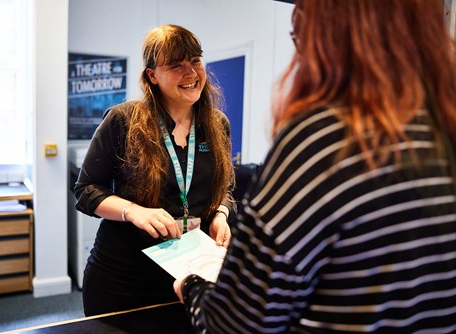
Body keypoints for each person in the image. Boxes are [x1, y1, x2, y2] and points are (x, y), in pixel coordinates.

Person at [174, 0, 456, 333]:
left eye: (299, 36)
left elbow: (235, 325)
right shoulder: (443, 127)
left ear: (327, 35)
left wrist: (193, 288)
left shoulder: (322, 140)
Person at [74, 23, 235, 318]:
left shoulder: (217, 124)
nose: (191, 73)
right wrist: (133, 211)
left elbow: (225, 186)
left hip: (190, 276)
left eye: (195, 61)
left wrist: (221, 214)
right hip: (124, 279)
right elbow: (86, 191)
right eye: (176, 65)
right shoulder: (123, 120)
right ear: (152, 75)